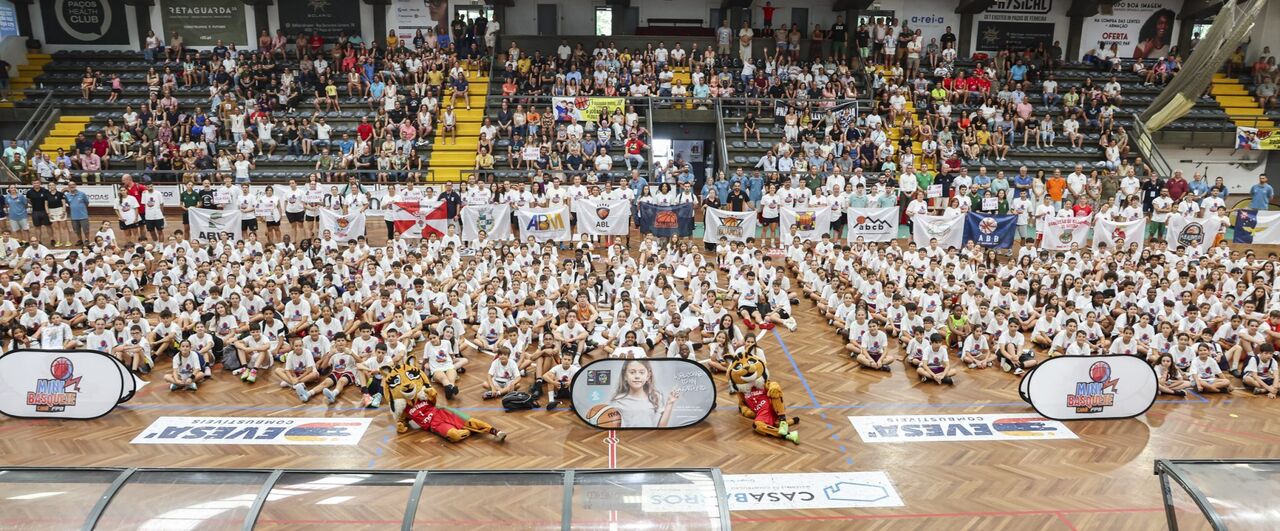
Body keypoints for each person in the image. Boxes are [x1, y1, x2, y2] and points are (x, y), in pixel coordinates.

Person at [607, 359, 680, 428]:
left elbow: (661, 427)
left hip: (650, 439)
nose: (637, 376)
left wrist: (670, 403)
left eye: (641, 372)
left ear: (648, 376)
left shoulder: (656, 397)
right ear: (625, 376)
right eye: (632, 372)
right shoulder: (617, 402)